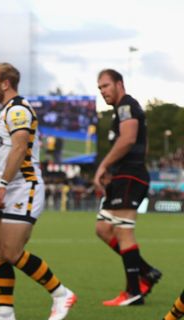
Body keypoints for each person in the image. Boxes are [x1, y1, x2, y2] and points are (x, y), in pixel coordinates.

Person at [0, 63, 76, 320]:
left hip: (23, 186)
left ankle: (61, 293)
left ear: (5, 83)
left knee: (11, 251)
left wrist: (4, 184)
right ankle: (5, 313)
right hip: (5, 186)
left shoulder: (18, 110)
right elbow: (4, 159)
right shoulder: (5, 112)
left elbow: (19, 149)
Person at [93, 69, 161, 306]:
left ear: (119, 84)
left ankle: (134, 292)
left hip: (131, 177)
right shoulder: (119, 111)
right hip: (121, 177)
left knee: (123, 231)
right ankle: (147, 271)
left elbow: (128, 139)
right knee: (103, 228)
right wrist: (111, 173)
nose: (102, 91)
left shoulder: (126, 106)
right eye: (99, 88)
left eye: (106, 86)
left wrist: (103, 166)